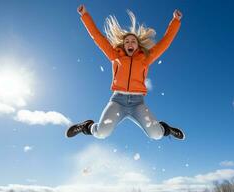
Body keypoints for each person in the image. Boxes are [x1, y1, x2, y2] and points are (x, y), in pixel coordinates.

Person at [66, 5, 185, 140]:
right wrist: (85, 15)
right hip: (118, 101)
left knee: (156, 135)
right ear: (123, 45)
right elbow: (97, 37)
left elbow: (165, 43)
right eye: (127, 41)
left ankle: (165, 129)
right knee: (102, 133)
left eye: (133, 41)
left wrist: (175, 21)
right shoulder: (115, 56)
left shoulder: (145, 58)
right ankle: (87, 126)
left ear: (137, 46)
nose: (130, 43)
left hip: (138, 103)